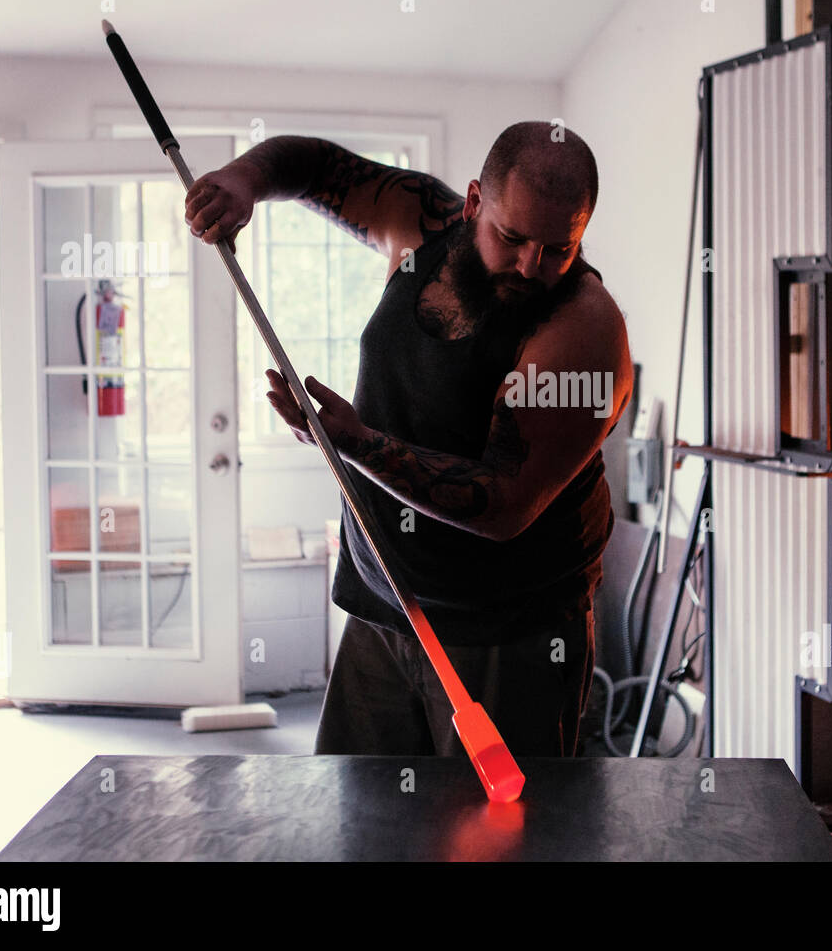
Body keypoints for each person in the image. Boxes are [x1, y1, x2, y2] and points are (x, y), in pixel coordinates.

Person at [183, 121, 632, 758]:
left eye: (559, 248)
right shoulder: (422, 220)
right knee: (360, 825)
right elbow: (314, 164)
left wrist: (356, 443)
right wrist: (241, 183)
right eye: (512, 238)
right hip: (385, 600)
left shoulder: (583, 331)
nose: (533, 266)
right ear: (474, 202)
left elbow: (503, 505)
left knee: (502, 843)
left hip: (506, 633)